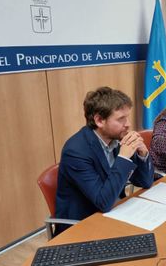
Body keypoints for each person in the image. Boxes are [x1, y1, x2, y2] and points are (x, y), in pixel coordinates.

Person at [56, 87, 154, 235]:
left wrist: (142, 153)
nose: (127, 124)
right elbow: (103, 202)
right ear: (99, 120)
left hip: (114, 211)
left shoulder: (115, 140)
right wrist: (123, 157)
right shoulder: (75, 152)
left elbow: (145, 182)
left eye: (127, 117)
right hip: (83, 225)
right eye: (121, 119)